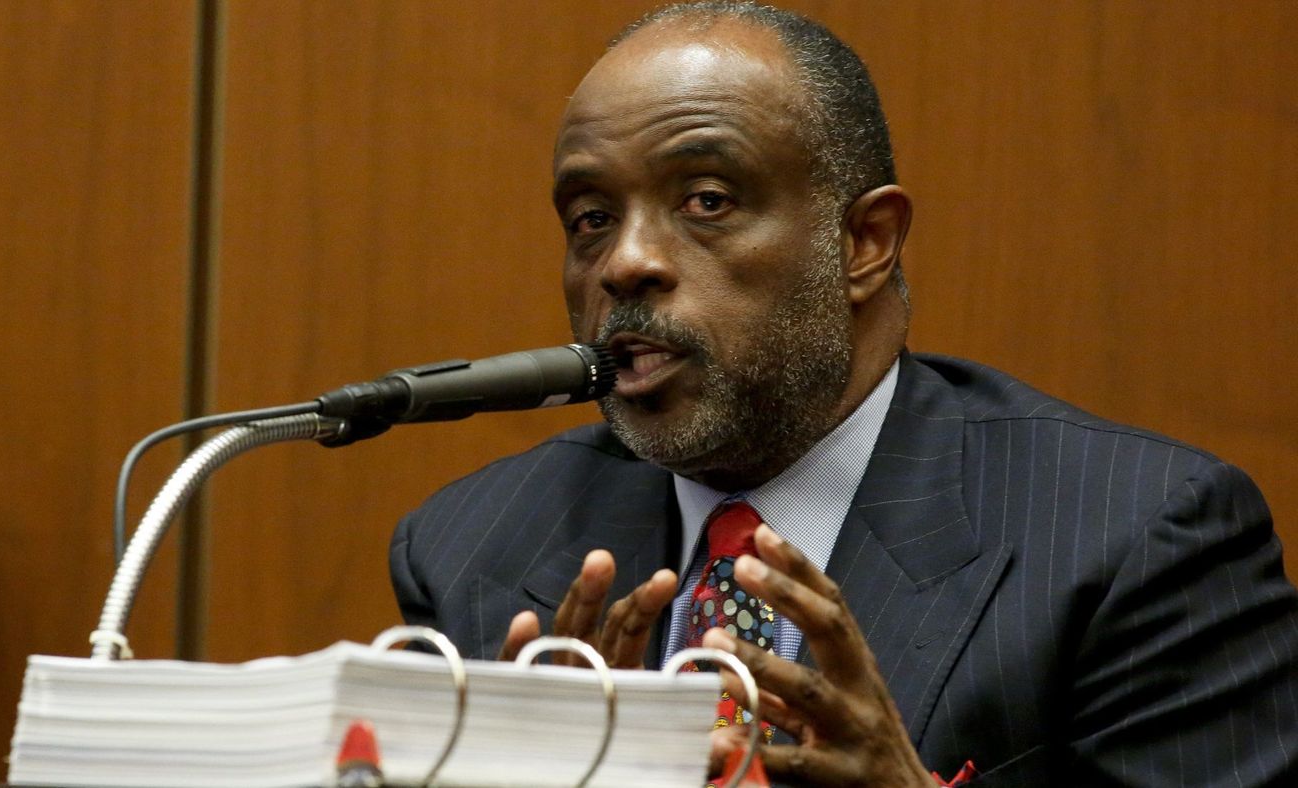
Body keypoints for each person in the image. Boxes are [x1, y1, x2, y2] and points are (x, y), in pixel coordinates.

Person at [390, 2, 1298, 784]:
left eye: (707, 200)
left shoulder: (1135, 540)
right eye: (591, 220)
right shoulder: (472, 549)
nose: (626, 261)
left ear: (863, 243)